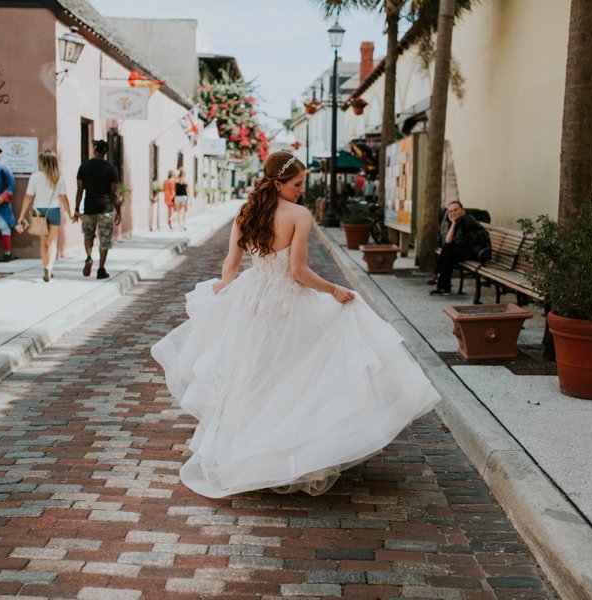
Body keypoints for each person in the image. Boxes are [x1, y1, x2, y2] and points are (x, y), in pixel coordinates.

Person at [151, 151, 439, 498]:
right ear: (279, 183)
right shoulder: (299, 216)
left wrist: (223, 291)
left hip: (253, 303)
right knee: (295, 378)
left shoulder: (246, 213)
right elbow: (298, 272)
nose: (304, 190)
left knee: (256, 378)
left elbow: (231, 264)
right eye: (298, 183)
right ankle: (288, 456)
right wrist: (334, 290)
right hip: (288, 306)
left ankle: (249, 456)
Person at [17, 150, 71, 282]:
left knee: (43, 242)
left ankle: (45, 267)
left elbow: (28, 197)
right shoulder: (59, 177)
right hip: (54, 210)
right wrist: (70, 214)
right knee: (52, 242)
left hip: (38, 212)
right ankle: (50, 267)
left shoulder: (35, 177)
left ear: (42, 162)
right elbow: (64, 198)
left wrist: (21, 215)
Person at [74, 139, 121, 279]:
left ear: (95, 150)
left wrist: (77, 208)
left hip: (88, 207)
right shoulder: (111, 168)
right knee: (105, 239)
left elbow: (80, 189)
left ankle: (88, 257)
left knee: (88, 235)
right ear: (105, 152)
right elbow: (114, 193)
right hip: (105, 208)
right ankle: (101, 269)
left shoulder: (84, 166)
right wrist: (118, 211)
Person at [430, 200, 491, 295]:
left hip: (479, 252)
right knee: (447, 250)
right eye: (450, 211)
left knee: (448, 250)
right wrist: (453, 223)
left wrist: (453, 223)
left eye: (456, 210)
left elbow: (453, 242)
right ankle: (441, 283)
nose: (453, 213)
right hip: (469, 249)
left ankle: (440, 281)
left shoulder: (467, 220)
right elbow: (449, 241)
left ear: (463, 210)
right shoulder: (458, 221)